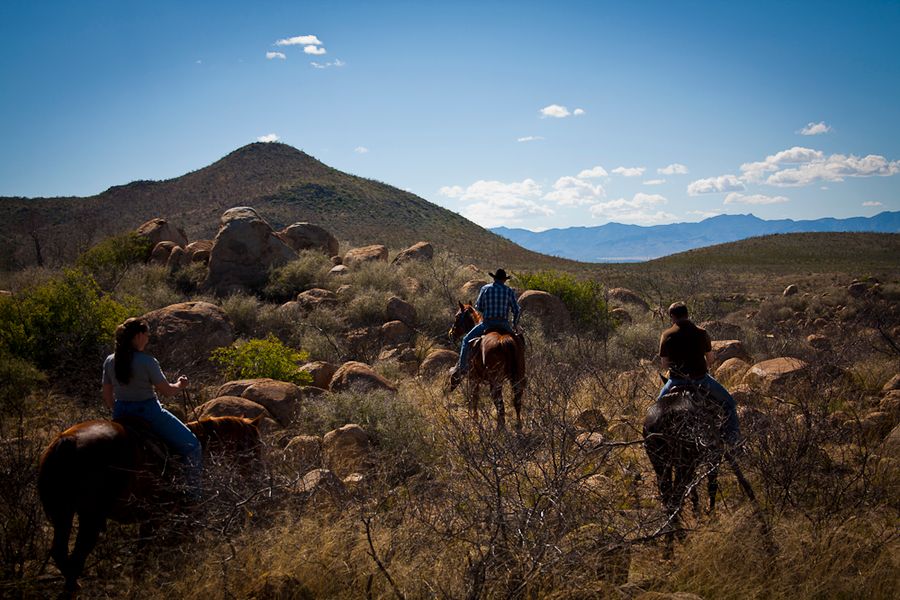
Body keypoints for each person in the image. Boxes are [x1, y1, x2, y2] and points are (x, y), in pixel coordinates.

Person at [102, 317, 202, 498]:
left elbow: (107, 393)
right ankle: (193, 498)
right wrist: (180, 384)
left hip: (121, 413)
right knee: (193, 446)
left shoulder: (110, 360)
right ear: (138, 336)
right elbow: (167, 392)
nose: (147, 339)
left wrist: (115, 410)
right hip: (149, 413)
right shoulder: (147, 361)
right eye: (147, 335)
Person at [657, 302, 741, 447]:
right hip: (701, 380)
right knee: (729, 403)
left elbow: (664, 365)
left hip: (676, 381)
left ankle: (655, 440)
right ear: (687, 314)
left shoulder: (666, 335)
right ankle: (733, 440)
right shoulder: (701, 333)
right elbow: (710, 359)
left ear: (672, 316)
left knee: (656, 409)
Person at [449, 268, 521, 386]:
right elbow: (517, 309)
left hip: (487, 324)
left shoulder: (485, 289)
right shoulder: (509, 291)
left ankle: (462, 368)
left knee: (466, 340)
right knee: (519, 342)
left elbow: (479, 306)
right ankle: (519, 371)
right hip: (504, 324)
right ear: (504, 280)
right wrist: (514, 324)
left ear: (494, 278)